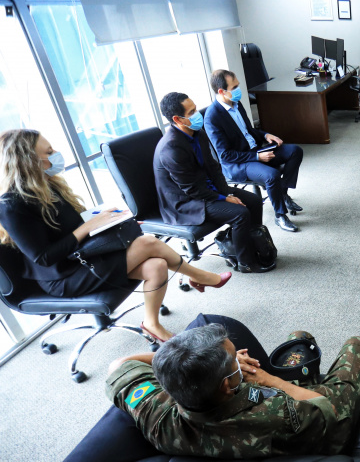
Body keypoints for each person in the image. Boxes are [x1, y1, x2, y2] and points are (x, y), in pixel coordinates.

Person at [0, 129, 230, 342]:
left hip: (81, 257)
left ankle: (151, 323)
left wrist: (111, 222)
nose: (56, 155)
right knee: (148, 242)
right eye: (48, 152)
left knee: (157, 265)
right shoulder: (11, 205)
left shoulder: (48, 184)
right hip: (62, 276)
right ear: (27, 160)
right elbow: (44, 257)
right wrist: (88, 227)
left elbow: (73, 226)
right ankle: (203, 277)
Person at [106, 314, 360, 458]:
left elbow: (119, 364)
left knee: (299, 339)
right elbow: (323, 406)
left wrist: (183, 362)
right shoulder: (277, 412)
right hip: (326, 423)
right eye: (235, 360)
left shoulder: (158, 418)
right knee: (357, 343)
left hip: (233, 399)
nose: (239, 359)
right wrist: (269, 380)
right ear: (225, 385)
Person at [154, 92, 274, 273]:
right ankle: (245, 262)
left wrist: (226, 193)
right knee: (240, 213)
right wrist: (224, 199)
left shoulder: (197, 133)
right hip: (186, 202)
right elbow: (191, 189)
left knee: (254, 201)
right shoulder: (171, 149)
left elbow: (213, 167)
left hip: (204, 189)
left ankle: (253, 245)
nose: (198, 114)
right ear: (177, 119)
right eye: (192, 111)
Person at [204, 69, 303, 233]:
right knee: (272, 175)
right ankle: (280, 215)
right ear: (221, 91)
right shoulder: (212, 117)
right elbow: (225, 155)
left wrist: (266, 134)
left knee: (295, 151)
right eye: (234, 87)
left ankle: (282, 194)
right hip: (238, 163)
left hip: (254, 150)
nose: (238, 90)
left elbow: (247, 131)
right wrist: (257, 156)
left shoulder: (236, 104)